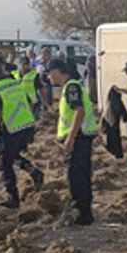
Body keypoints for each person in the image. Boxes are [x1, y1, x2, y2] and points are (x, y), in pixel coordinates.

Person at [0, 58, 44, 209]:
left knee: (4, 162)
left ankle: (13, 197)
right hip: (26, 124)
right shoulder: (15, 82)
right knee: (13, 155)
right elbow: (30, 100)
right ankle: (34, 172)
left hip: (11, 127)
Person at [47, 59, 96, 225]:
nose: (49, 77)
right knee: (81, 174)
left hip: (79, 138)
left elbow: (79, 111)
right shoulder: (72, 86)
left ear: (56, 71)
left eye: (49, 73)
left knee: (76, 176)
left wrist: (71, 137)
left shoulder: (71, 87)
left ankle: (82, 213)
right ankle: (84, 211)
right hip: (81, 136)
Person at [15, 57, 43, 121]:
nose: (25, 66)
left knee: (30, 119)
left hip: (31, 101)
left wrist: (44, 101)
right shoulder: (14, 75)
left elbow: (41, 88)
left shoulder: (34, 74)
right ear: (19, 65)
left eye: (27, 64)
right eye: (23, 64)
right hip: (18, 101)